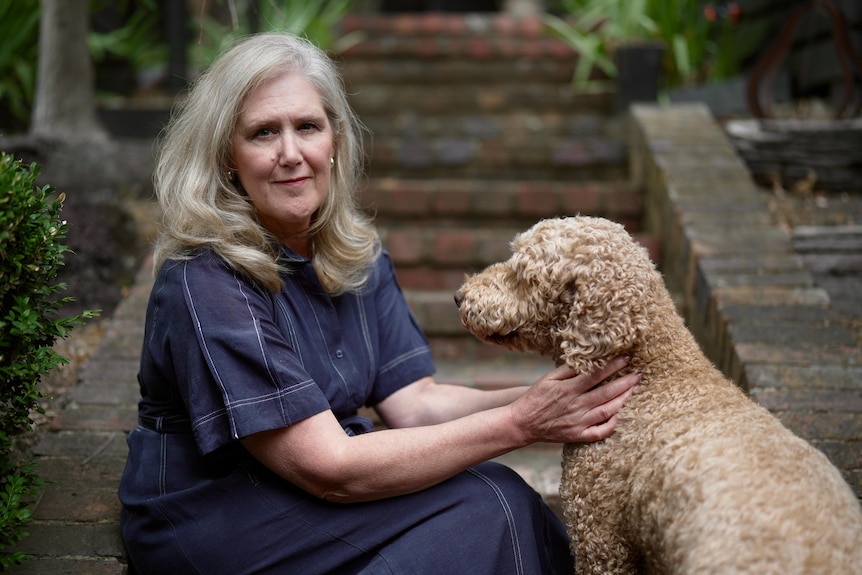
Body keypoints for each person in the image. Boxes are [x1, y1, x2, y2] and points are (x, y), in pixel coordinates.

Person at [118, 32, 640, 575]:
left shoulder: (353, 255)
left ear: (335, 140)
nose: (291, 153)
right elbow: (329, 468)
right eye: (263, 133)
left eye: (307, 127)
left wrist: (559, 398)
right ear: (228, 156)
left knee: (498, 498)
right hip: (217, 510)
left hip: (308, 488)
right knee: (488, 511)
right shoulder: (206, 279)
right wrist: (521, 423)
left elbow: (415, 404)